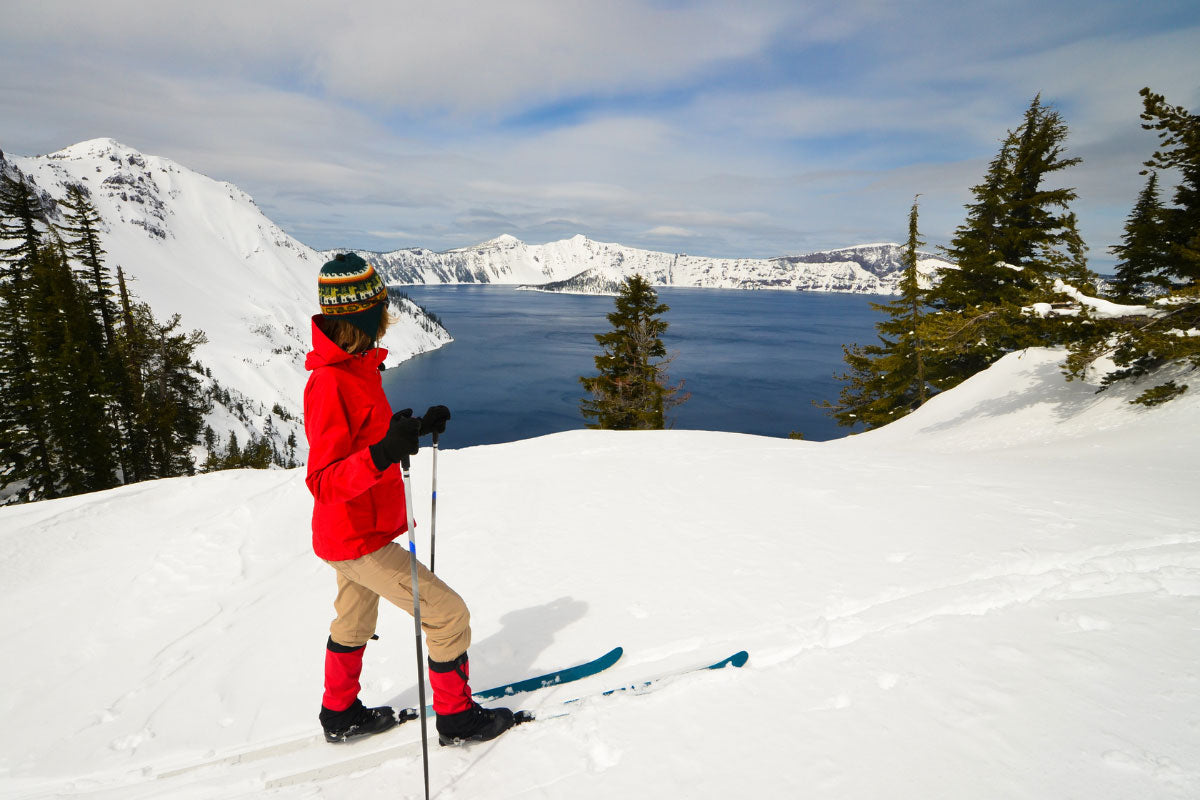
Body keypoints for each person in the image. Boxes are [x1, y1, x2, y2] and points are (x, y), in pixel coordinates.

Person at [303, 252, 514, 745]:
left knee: (354, 620)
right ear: (361, 317)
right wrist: (382, 453)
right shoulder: (330, 382)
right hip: (357, 537)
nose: (388, 320)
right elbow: (324, 482)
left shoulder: (358, 369)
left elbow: (369, 439)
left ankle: (339, 715)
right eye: (381, 311)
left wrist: (413, 430)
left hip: (353, 533)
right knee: (448, 614)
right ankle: (458, 719)